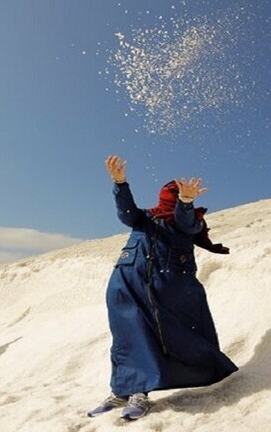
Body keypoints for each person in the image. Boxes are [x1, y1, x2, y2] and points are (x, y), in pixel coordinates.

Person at [88, 155, 238, 421]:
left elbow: (185, 222)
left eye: (176, 194)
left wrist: (186, 203)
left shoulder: (190, 221)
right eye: (171, 192)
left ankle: (140, 392)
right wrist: (120, 183)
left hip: (168, 288)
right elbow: (126, 213)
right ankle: (122, 391)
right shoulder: (145, 218)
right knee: (126, 337)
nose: (171, 196)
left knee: (170, 337)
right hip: (126, 283)